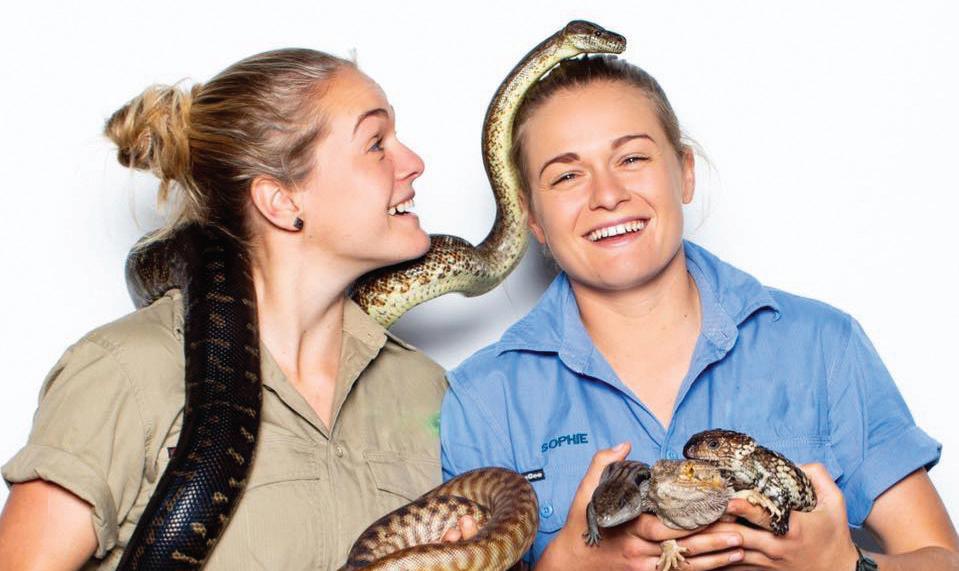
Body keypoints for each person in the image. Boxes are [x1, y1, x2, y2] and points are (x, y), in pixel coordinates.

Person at [441, 55, 959, 570]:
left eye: (632, 159)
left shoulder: (823, 346)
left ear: (685, 174)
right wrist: (566, 565)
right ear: (532, 217)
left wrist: (844, 565)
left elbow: (942, 558)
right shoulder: (484, 398)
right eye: (567, 175)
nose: (607, 195)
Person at [0, 48, 475, 569]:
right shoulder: (125, 371)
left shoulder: (427, 388)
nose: (414, 163)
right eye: (376, 144)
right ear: (282, 201)